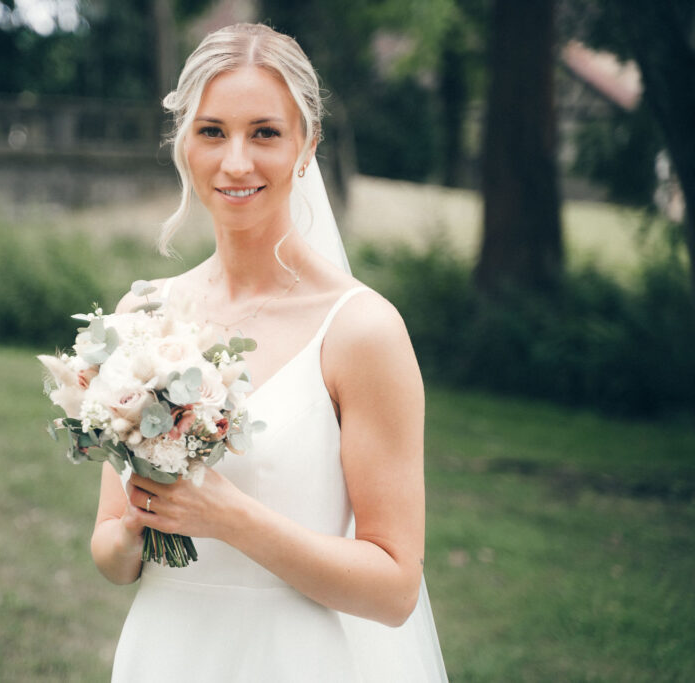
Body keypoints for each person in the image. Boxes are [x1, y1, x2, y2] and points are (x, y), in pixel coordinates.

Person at [90, 23, 447, 681]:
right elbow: (110, 551)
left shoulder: (363, 330)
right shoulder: (142, 314)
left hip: (293, 658)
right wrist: (135, 526)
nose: (235, 162)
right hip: (163, 651)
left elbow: (395, 587)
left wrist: (228, 517)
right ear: (184, 145)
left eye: (264, 132)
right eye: (212, 131)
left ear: (306, 146)